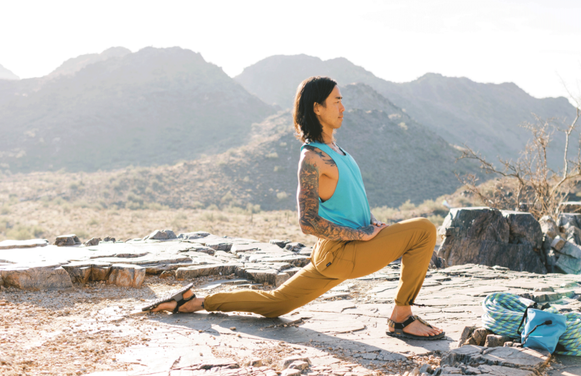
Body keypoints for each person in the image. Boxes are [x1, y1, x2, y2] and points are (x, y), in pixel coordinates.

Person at [146, 76, 444, 340]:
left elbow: (348, 202)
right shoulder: (312, 158)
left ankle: (195, 302)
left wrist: (372, 225)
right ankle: (402, 318)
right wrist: (361, 236)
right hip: (341, 252)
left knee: (276, 304)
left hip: (342, 251)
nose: (343, 108)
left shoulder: (340, 152)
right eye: (337, 101)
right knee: (424, 230)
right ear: (317, 108)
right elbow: (308, 222)